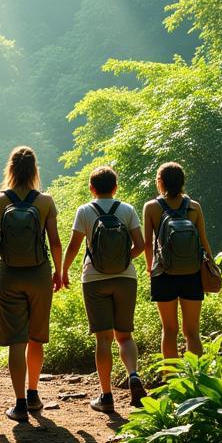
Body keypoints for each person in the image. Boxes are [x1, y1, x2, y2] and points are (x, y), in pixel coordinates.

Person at [0, 146, 63, 422]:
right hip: (40, 273)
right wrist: (60, 271)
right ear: (34, 171)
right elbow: (54, 241)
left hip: (9, 273)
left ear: (11, 169)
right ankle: (33, 393)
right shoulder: (45, 201)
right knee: (36, 336)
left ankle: (18, 404)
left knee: (16, 341)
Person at [61, 165, 147, 412]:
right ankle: (133, 376)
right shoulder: (127, 210)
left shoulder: (85, 211)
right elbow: (140, 245)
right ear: (115, 187)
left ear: (91, 188)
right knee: (125, 335)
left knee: (104, 339)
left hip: (94, 279)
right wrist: (123, 260)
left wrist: (63, 270)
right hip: (126, 278)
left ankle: (106, 396)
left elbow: (75, 246)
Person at [142, 161, 213, 359]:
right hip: (192, 273)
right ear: (182, 181)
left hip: (163, 273)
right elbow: (203, 241)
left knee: (169, 330)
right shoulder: (194, 207)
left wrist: (150, 268)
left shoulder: (151, 208)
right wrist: (211, 268)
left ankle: (171, 380)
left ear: (160, 182)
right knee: (192, 332)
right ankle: (198, 380)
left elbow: (148, 244)